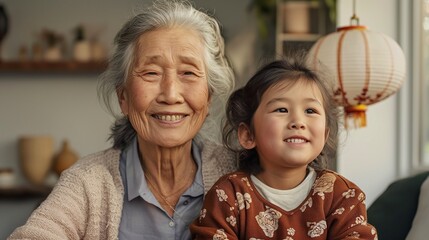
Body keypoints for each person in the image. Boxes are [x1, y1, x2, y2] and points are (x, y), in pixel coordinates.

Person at [8, 0, 237, 239]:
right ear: (123, 97)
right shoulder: (88, 183)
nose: (170, 94)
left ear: (208, 97)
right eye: (151, 73)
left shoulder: (241, 171)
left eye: (188, 73)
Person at [190, 53, 378, 239]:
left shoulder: (341, 195)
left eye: (310, 110)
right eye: (282, 109)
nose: (298, 121)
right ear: (248, 134)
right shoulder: (228, 194)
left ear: (325, 134)